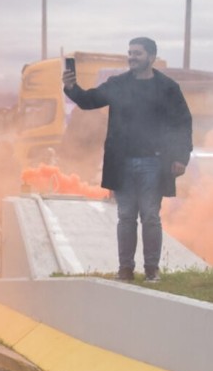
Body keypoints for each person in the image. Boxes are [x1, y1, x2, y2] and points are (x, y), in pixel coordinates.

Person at [63, 37, 192, 283]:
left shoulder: (167, 88)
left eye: (138, 53)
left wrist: (180, 157)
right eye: (130, 53)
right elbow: (90, 100)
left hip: (155, 163)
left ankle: (152, 269)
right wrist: (72, 88)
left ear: (152, 57)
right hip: (122, 164)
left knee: (151, 217)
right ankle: (125, 269)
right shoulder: (118, 84)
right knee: (125, 217)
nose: (131, 57)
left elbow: (182, 123)